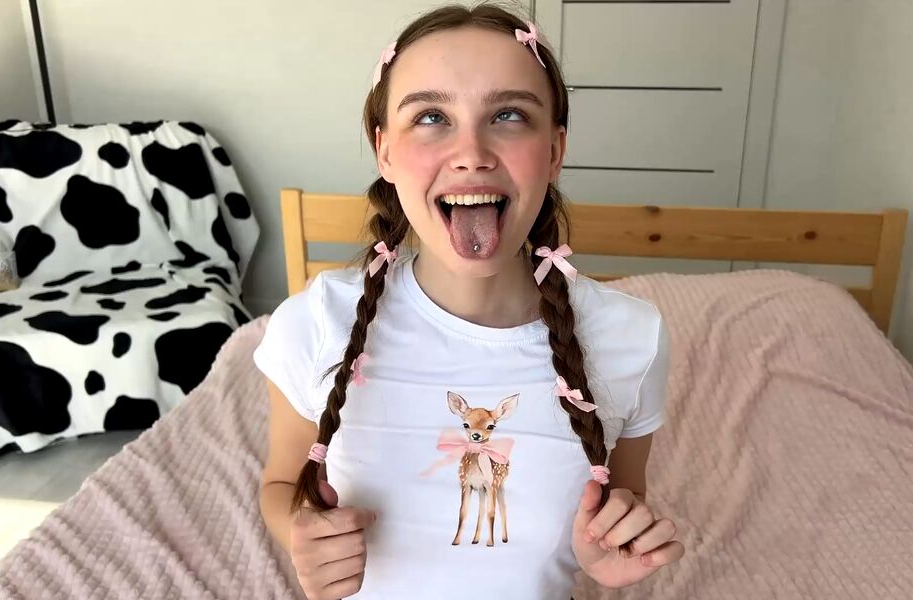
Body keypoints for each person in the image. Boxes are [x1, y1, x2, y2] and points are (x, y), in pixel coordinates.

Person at [255, 4, 684, 599]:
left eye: (508, 115)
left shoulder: (631, 339)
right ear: (384, 151)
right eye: (431, 117)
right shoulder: (316, 323)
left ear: (555, 149)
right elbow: (281, 485)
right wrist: (301, 534)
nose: (471, 153)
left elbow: (622, 497)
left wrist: (608, 546)